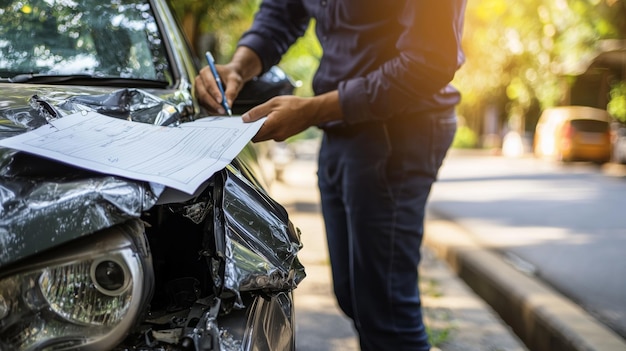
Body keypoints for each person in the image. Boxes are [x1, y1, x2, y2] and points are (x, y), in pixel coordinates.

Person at [195, 1, 467, 350]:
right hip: (340, 123)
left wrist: (313, 110)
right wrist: (239, 66)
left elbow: (429, 61)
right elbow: (283, 10)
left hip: (398, 128)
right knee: (354, 296)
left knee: (387, 312)